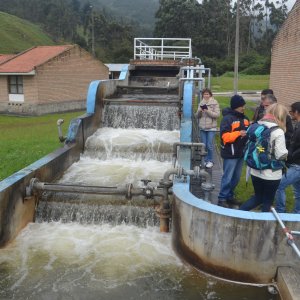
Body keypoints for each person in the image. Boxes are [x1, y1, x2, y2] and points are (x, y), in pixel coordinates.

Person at [240, 103, 288, 212]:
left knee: (258, 197)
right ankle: (264, 225)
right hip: (271, 174)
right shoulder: (278, 131)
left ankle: (238, 213)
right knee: (267, 201)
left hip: (255, 170)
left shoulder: (257, 125)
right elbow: (281, 154)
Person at [218, 95, 250, 208]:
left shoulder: (245, 118)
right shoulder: (227, 119)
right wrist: (239, 134)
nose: (243, 108)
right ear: (236, 106)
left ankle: (229, 196)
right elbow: (225, 137)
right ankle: (222, 198)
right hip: (230, 154)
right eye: (242, 106)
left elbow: (248, 131)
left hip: (241, 153)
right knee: (228, 177)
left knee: (236, 178)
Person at [275, 102, 300, 213]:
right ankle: (297, 215)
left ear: (296, 112)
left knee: (279, 185)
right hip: (295, 163)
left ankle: (281, 212)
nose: (290, 114)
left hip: (297, 165)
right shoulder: (297, 125)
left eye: (291, 112)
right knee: (298, 192)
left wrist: (292, 156)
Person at [196, 88, 220, 168]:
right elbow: (197, 116)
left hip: (211, 127)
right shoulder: (201, 103)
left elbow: (217, 115)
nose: (206, 96)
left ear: (210, 95)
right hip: (203, 127)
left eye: (207, 94)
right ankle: (204, 160)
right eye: (204, 94)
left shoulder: (214, 103)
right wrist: (199, 111)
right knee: (204, 145)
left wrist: (207, 111)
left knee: (209, 144)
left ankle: (210, 160)